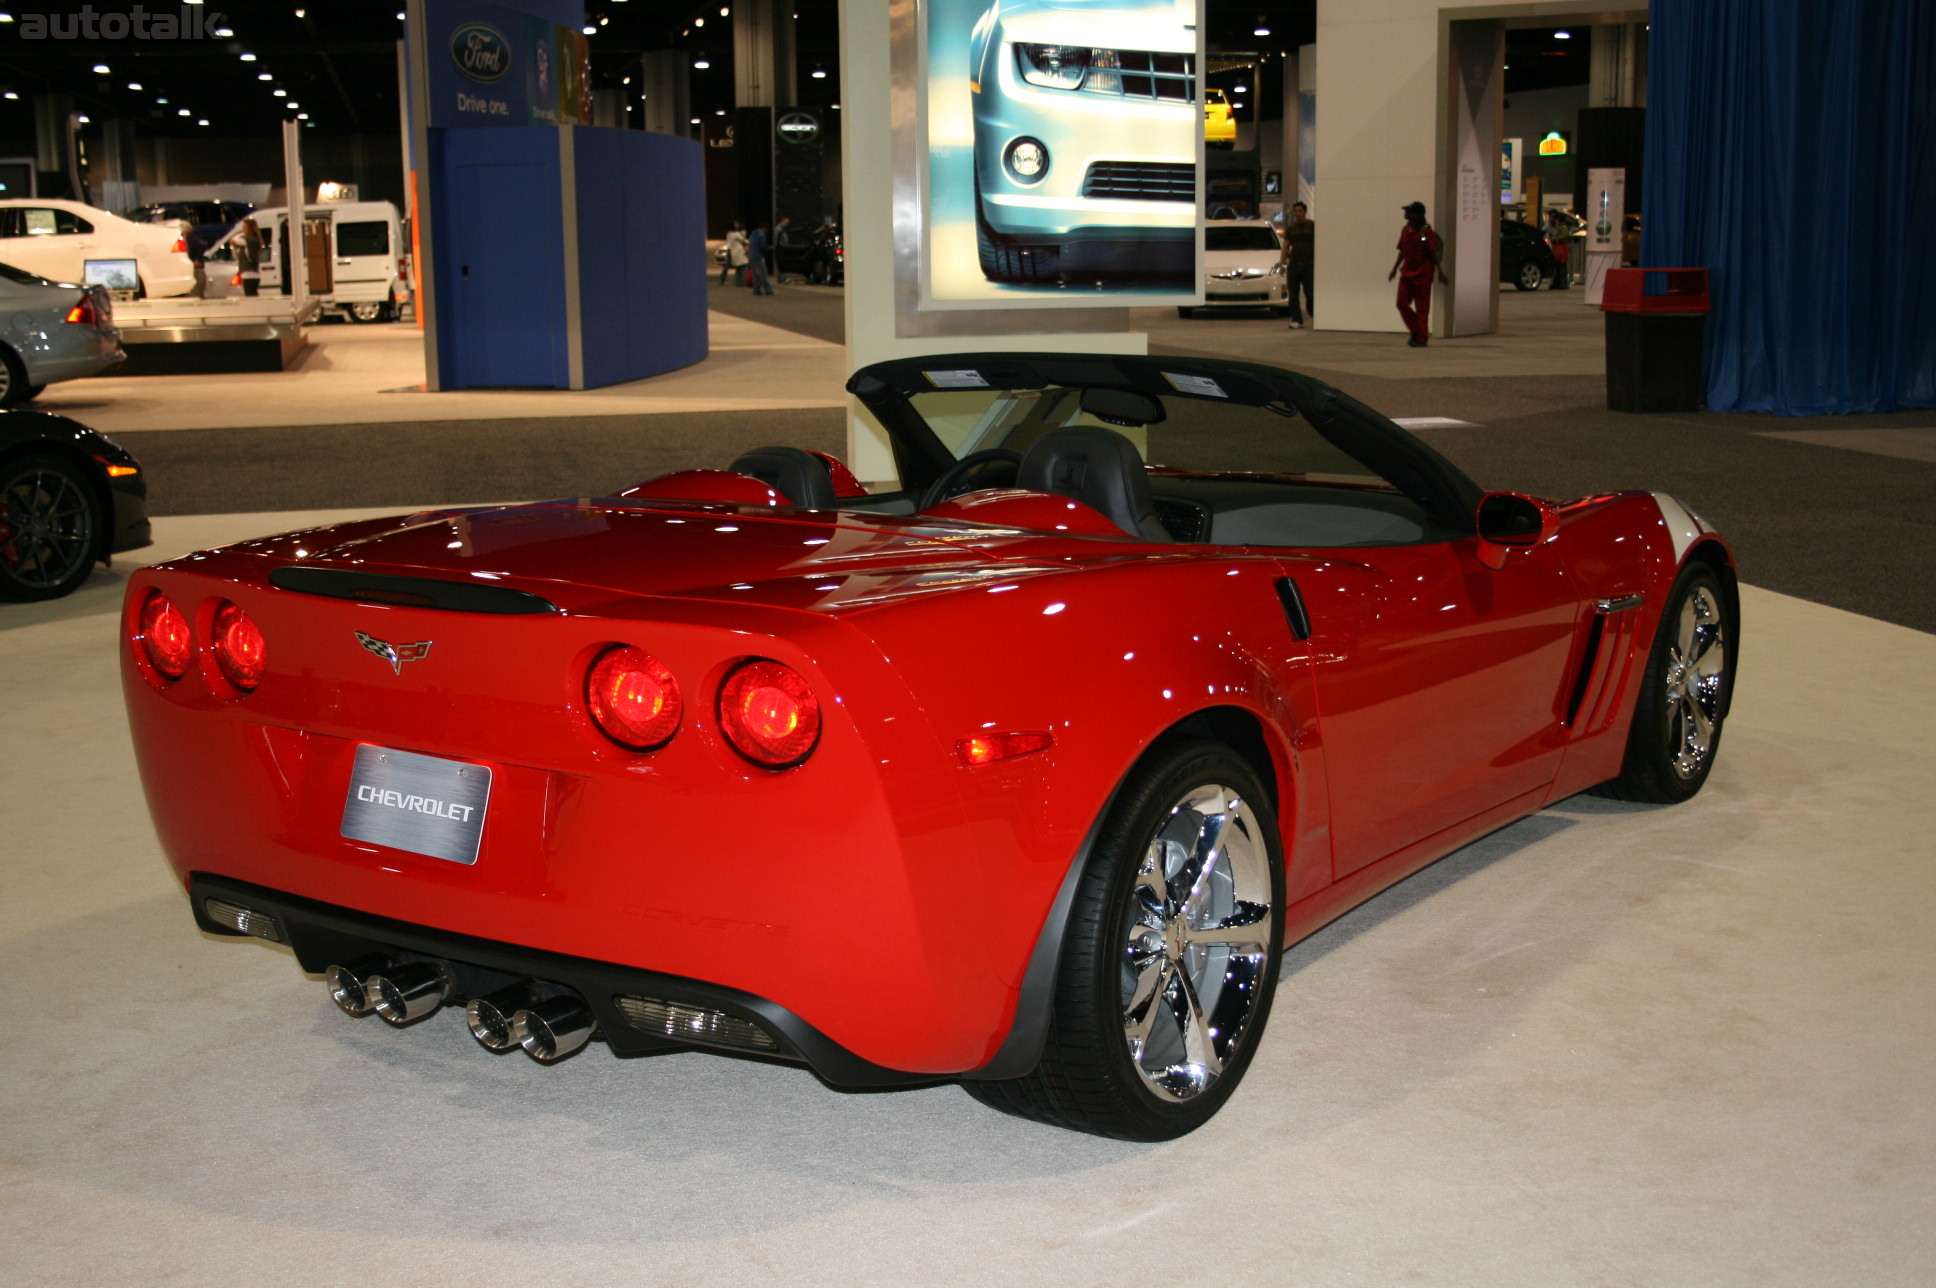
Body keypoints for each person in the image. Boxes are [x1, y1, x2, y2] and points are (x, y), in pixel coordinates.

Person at [1387, 200, 1446, 347]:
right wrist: (1394, 269)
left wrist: (1440, 271)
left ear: (1416, 214)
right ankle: (1417, 330)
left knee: (1422, 308)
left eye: (1408, 211)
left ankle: (1421, 338)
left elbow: (1432, 252)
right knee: (1401, 303)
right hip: (1407, 272)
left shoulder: (1425, 231)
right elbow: (1402, 251)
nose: (1405, 213)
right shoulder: (1405, 230)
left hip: (1423, 273)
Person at [1282, 201, 1314, 328]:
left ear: (1305, 212)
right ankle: (1296, 319)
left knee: (1310, 293)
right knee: (1293, 294)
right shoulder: (1291, 229)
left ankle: (1313, 313)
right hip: (1294, 265)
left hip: (1309, 265)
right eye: (1296, 211)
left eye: (1300, 211)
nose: (1298, 214)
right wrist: (1282, 263)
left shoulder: (1312, 226)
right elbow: (1285, 247)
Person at [228, 218, 263, 297]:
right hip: (245, 274)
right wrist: (233, 246)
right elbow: (236, 256)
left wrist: (236, 238)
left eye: (245, 228)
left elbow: (236, 240)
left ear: (251, 229)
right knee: (249, 295)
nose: (243, 230)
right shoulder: (244, 245)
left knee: (251, 296)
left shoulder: (251, 240)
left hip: (251, 274)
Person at [746, 223, 774, 295]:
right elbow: (763, 246)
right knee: (763, 274)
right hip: (759, 256)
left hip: (752, 256)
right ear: (764, 228)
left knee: (755, 274)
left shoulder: (753, 234)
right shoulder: (761, 235)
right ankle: (768, 290)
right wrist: (769, 248)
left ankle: (756, 290)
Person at [720, 221, 747, 286]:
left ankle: (724, 279)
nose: (737, 225)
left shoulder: (729, 233)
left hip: (730, 250)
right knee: (743, 266)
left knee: (733, 266)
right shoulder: (736, 234)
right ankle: (742, 282)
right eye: (736, 224)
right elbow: (743, 240)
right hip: (737, 252)